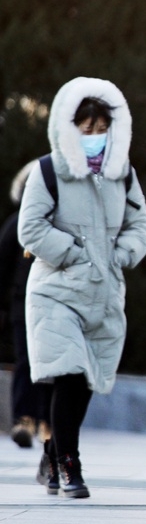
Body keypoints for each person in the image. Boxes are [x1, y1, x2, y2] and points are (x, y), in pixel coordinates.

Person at [18, 77, 146, 498]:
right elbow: (30, 229)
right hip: (55, 291)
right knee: (71, 374)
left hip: (104, 294)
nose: (94, 138)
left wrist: (121, 255)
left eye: (101, 129)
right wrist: (76, 254)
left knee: (86, 381)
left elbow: (141, 226)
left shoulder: (122, 175)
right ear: (68, 127)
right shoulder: (48, 171)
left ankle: (51, 453)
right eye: (85, 129)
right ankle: (69, 465)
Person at [1, 163, 52, 449]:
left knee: (51, 366)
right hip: (24, 305)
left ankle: (47, 421)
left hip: (54, 305)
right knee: (26, 361)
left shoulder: (59, 222)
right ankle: (24, 420)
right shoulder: (17, 224)